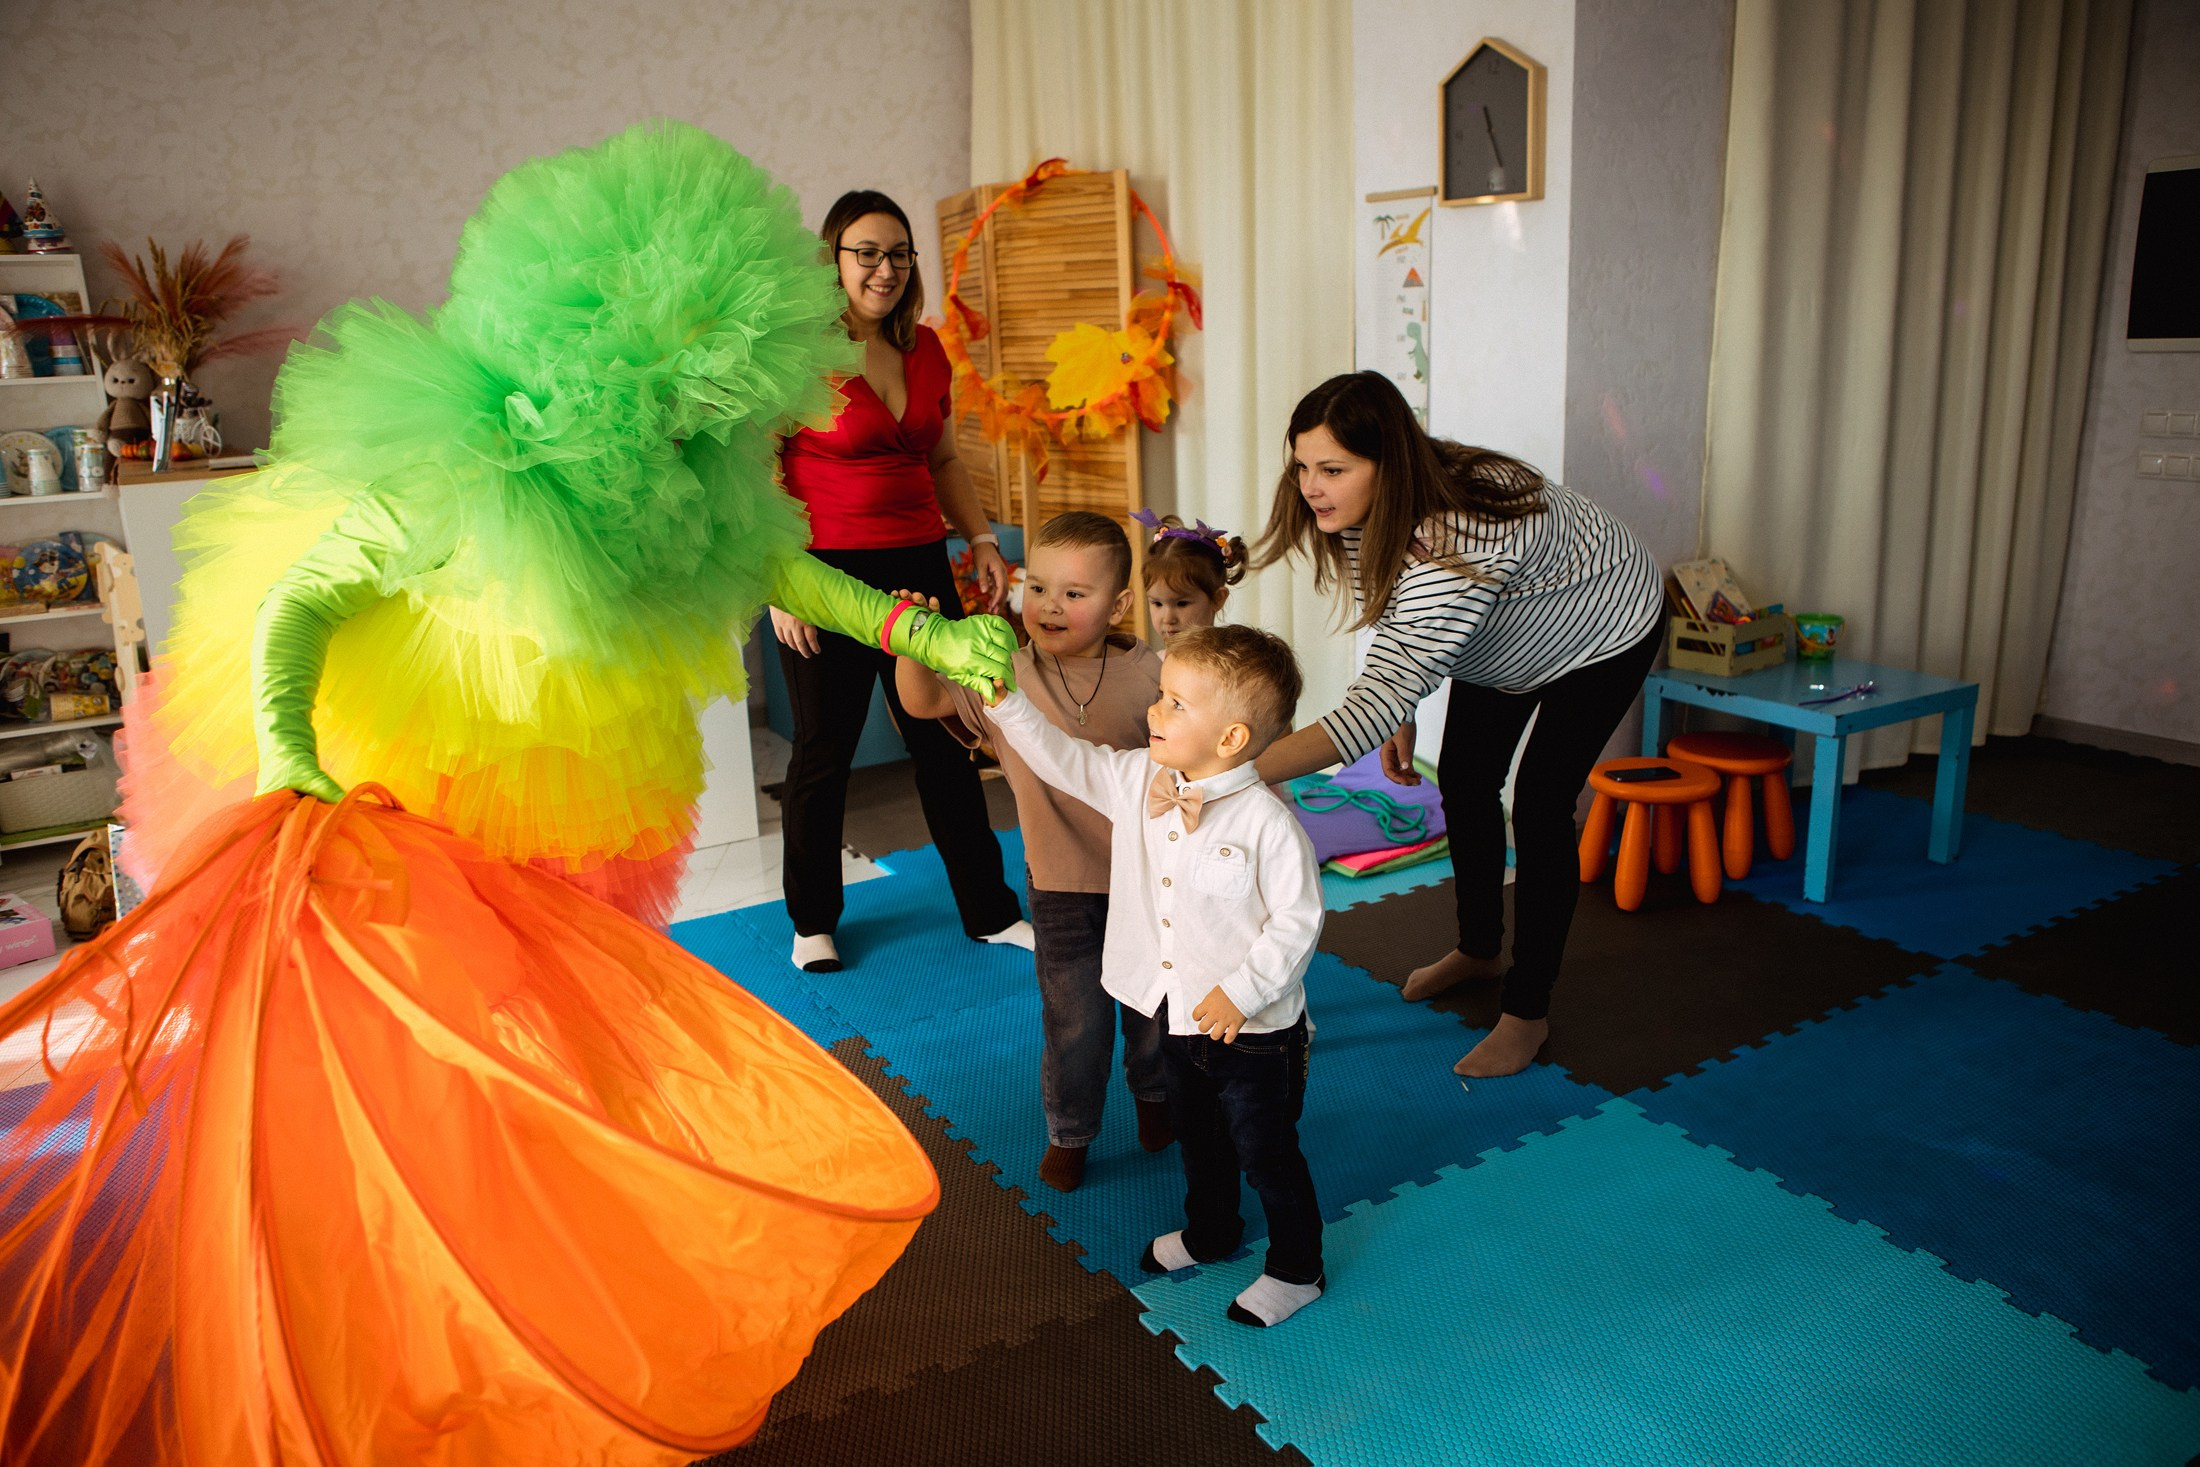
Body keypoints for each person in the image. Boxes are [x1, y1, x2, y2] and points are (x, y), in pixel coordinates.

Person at [3, 124, 1014, 1466]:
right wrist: (288, 745)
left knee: (543, 1030)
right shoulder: (461, 467)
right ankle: (395, 1271)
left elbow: (787, 569)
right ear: (614, 355)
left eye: (722, 401)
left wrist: (924, 631)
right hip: (412, 779)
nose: (706, 424)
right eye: (684, 395)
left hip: (560, 788)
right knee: (403, 1046)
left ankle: (533, 1240)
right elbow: (304, 597)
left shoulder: (702, 473)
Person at [1252, 372, 1663, 1080]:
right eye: (1301, 466)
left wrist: (1238, 769)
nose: (1310, 486)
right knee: (1467, 781)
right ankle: (1480, 948)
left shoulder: (1457, 538)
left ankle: (1526, 1011)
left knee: (1538, 805)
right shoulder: (1366, 510)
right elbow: (1390, 611)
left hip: (1605, 629)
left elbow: (1373, 696)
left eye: (1332, 469)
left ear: (1389, 462)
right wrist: (1403, 707)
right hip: (1505, 637)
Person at [982, 624, 1326, 1328]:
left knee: (1266, 1152)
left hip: (1253, 1030)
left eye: (1174, 704)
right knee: (1198, 1140)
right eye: (1161, 697)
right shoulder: (1141, 777)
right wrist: (1006, 701)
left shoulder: (1267, 823)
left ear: (1230, 739)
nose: (1153, 713)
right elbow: (1063, 758)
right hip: (1175, 1017)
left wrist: (1242, 991)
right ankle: (1211, 1231)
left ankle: (1299, 1267)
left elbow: (1297, 921)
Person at [771, 188, 1027, 974]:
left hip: (919, 561)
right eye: (867, 253)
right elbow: (759, 475)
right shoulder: (796, 351)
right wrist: (780, 586)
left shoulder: (926, 347)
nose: (885, 269)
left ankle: (989, 910)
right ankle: (812, 920)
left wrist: (980, 537)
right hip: (826, 574)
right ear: (835, 262)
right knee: (825, 751)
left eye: (899, 253)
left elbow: (943, 457)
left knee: (945, 743)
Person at [894, 511, 1169, 1193]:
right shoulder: (1004, 670)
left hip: (1152, 884)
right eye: (1037, 587)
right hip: (1061, 887)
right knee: (1075, 1022)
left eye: (1075, 594)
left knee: (1157, 1015)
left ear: (1120, 604)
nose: (1050, 605)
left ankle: (1159, 1101)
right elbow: (923, 700)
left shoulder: (1150, 671)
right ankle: (1071, 1131)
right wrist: (913, 643)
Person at [1132, 508, 1245, 644]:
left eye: (1182, 603)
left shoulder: (1229, 663)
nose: (1168, 619)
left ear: (1217, 599)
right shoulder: (1154, 662)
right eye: (1157, 603)